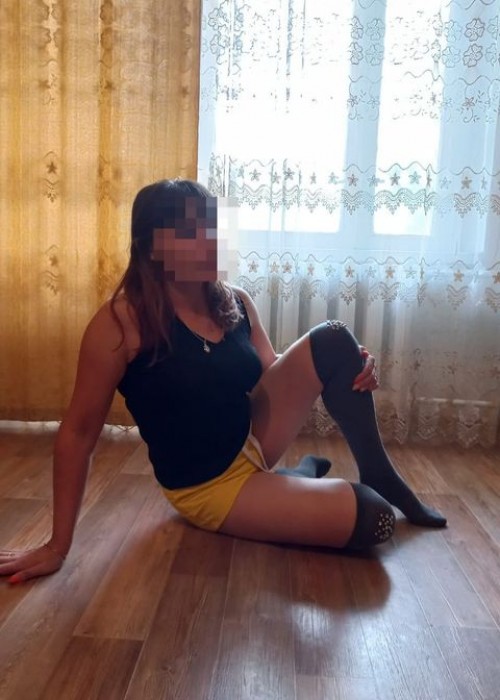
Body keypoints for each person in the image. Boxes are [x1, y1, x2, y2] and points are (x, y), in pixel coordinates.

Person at [0, 179, 446, 584]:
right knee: (376, 519)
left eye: (212, 228)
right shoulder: (120, 324)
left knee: (334, 338)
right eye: (190, 232)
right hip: (210, 485)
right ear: (151, 248)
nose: (209, 241)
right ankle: (296, 479)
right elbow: (78, 434)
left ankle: (377, 473)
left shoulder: (236, 301)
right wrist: (57, 546)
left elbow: (271, 372)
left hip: (252, 440)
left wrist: (350, 363)